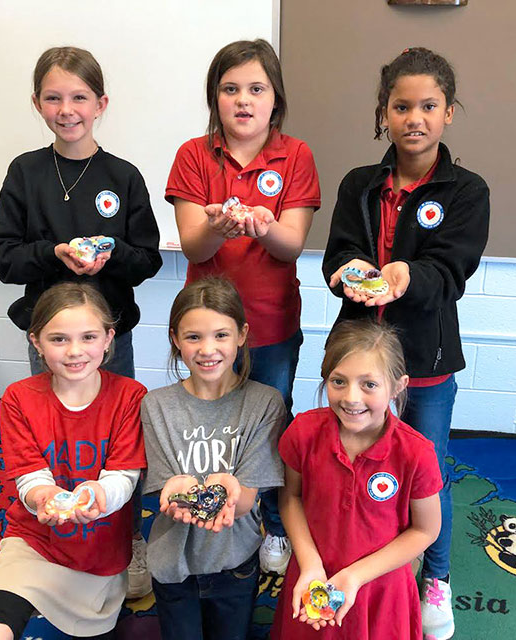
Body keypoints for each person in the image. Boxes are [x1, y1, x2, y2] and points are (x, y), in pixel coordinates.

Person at [321, 47, 490, 640]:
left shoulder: (467, 190)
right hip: (357, 353)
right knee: (347, 461)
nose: (414, 117)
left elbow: (452, 273)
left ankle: (435, 576)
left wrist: (404, 276)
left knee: (428, 469)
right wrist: (348, 271)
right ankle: (343, 555)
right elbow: (337, 255)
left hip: (425, 359)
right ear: (383, 113)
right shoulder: (359, 184)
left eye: (428, 106)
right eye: (401, 106)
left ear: (448, 113)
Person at [0, 46, 162, 598]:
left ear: (100, 103)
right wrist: (52, 254)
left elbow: (149, 257)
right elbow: (1, 255)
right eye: (54, 97)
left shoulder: (122, 175)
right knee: (50, 437)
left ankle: (126, 540)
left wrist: (111, 259)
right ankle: (51, 527)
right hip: (51, 337)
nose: (67, 109)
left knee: (116, 444)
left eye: (79, 97)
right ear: (37, 103)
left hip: (110, 335)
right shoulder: (25, 172)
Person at [165, 39, 321, 574]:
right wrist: (216, 225)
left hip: (272, 322)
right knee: (210, 420)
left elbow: (292, 244)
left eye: (256, 89)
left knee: (269, 419)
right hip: (207, 327)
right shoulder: (193, 153)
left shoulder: (296, 154)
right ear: (215, 98)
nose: (243, 100)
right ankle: (209, 507)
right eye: (230, 89)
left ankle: (271, 524)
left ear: (275, 98)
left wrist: (263, 223)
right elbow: (193, 246)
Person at [0, 283, 147, 640]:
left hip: (101, 545)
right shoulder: (19, 398)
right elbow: (29, 476)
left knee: (95, 629)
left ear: (109, 338)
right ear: (36, 342)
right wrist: (43, 497)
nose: (75, 351)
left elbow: (124, 477)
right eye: (59, 339)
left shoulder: (130, 396)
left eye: (88, 337)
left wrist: (97, 495)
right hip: (36, 538)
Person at [271, 320, 442, 640]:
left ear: (398, 385)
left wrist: (356, 575)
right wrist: (309, 563)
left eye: (369, 384)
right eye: (338, 381)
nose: (351, 397)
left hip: (380, 587)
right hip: (314, 575)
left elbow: (426, 529)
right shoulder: (304, 433)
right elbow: (291, 498)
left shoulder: (416, 453)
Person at [141, 277, 285, 640]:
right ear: (175, 338)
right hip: (173, 565)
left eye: (221, 335)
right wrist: (179, 493)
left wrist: (220, 494)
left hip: (234, 564)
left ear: (242, 334)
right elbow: (166, 493)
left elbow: (245, 501)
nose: (208, 349)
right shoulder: (155, 405)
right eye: (194, 337)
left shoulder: (265, 403)